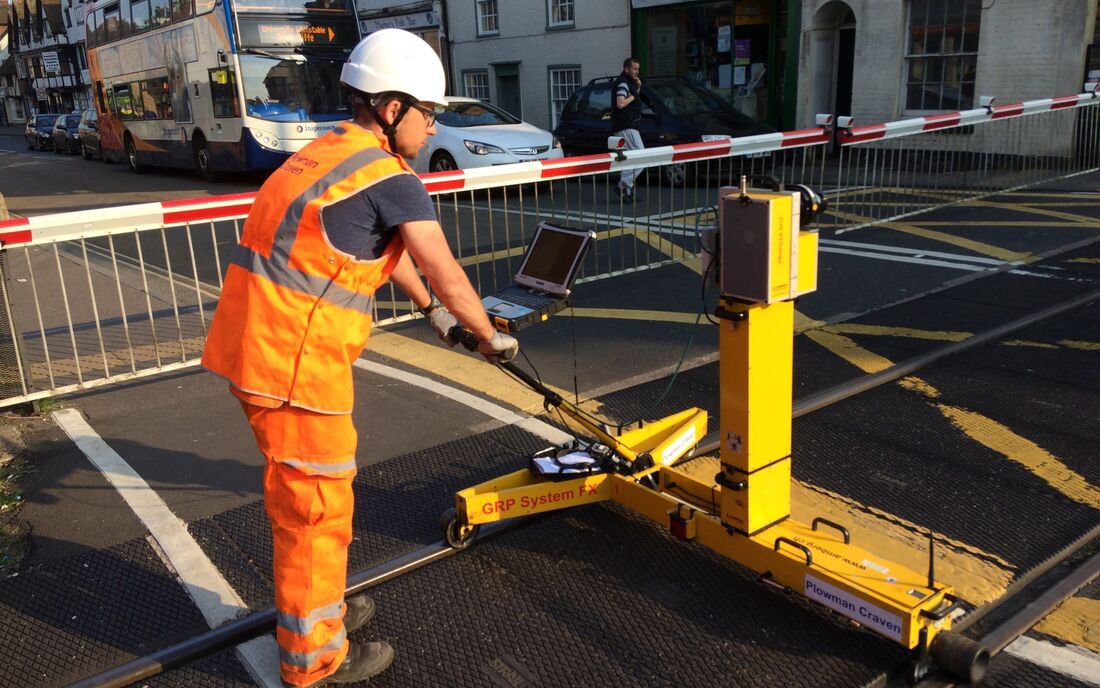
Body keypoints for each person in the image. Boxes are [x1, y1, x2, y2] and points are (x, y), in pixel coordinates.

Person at [200, 28, 518, 688]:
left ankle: (322, 611)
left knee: (310, 503)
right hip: (296, 369)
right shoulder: (391, 178)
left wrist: (430, 313)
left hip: (258, 349)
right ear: (392, 108)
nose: (433, 127)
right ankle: (314, 657)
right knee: (315, 514)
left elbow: (374, 247)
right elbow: (443, 267)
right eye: (428, 113)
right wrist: (488, 334)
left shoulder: (328, 154)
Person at [611, 56, 645, 202]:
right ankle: (622, 185)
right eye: (634, 69)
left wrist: (637, 89)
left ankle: (627, 192)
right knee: (642, 157)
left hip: (623, 125)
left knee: (628, 160)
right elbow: (620, 103)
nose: (637, 72)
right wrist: (634, 94)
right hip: (627, 126)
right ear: (626, 69)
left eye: (638, 69)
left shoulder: (626, 83)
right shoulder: (623, 83)